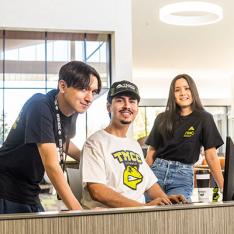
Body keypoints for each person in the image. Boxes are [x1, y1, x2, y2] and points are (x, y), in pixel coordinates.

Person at [0, 61, 102, 214]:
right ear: (62, 86)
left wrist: (88, 159)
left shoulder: (72, 110)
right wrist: (80, 212)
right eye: (83, 89)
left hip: (30, 188)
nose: (89, 98)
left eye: (93, 92)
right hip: (5, 185)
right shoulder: (40, 105)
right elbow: (51, 165)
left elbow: (63, 138)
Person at [81, 80, 186, 209]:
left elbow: (149, 183)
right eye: (120, 100)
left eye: (132, 101)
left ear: (136, 107)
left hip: (137, 216)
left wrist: (165, 200)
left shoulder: (133, 144)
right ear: (108, 107)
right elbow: (97, 191)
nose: (127, 105)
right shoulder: (94, 142)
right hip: (107, 219)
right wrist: (142, 208)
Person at [145, 74, 224, 200]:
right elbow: (151, 154)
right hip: (156, 173)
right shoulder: (161, 118)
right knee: (151, 215)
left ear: (193, 91)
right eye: (177, 90)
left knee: (177, 216)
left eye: (187, 88)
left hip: (182, 175)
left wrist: (223, 188)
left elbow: (211, 156)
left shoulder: (204, 118)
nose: (182, 93)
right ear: (173, 95)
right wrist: (141, 182)